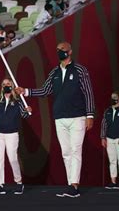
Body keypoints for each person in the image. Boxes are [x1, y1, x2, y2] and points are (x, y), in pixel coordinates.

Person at [15, 42, 95, 198]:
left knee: (75, 150)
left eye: (63, 50)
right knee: (66, 152)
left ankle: (74, 186)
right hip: (60, 117)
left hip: (78, 117)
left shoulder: (80, 70)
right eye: (58, 50)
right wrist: (25, 92)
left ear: (70, 51)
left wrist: (90, 115)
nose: (60, 52)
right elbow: (45, 90)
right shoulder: (54, 73)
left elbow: (88, 93)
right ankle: (70, 184)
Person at [0, 78, 32, 195]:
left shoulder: (18, 101)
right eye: (4, 84)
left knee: (13, 159)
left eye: (8, 84)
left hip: (12, 134)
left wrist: (27, 110)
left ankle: (19, 183)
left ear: (12, 86)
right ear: (2, 87)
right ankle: (0, 184)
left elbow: (25, 115)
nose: (6, 85)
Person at [100, 91, 119, 190]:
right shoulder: (107, 111)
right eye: (111, 97)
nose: (113, 99)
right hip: (109, 139)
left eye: (115, 97)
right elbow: (104, 125)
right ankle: (113, 181)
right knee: (112, 160)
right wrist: (103, 137)